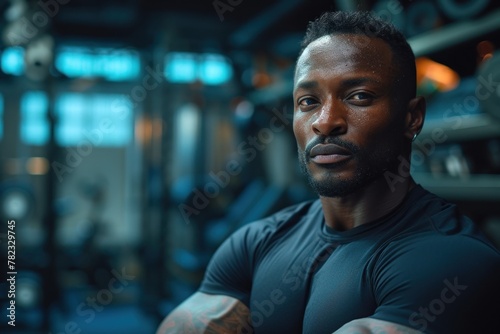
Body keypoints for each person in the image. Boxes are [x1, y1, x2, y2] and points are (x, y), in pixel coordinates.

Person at [157, 11, 500, 334]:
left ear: (412, 118)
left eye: (359, 96)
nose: (325, 122)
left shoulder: (452, 261)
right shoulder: (255, 242)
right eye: (308, 102)